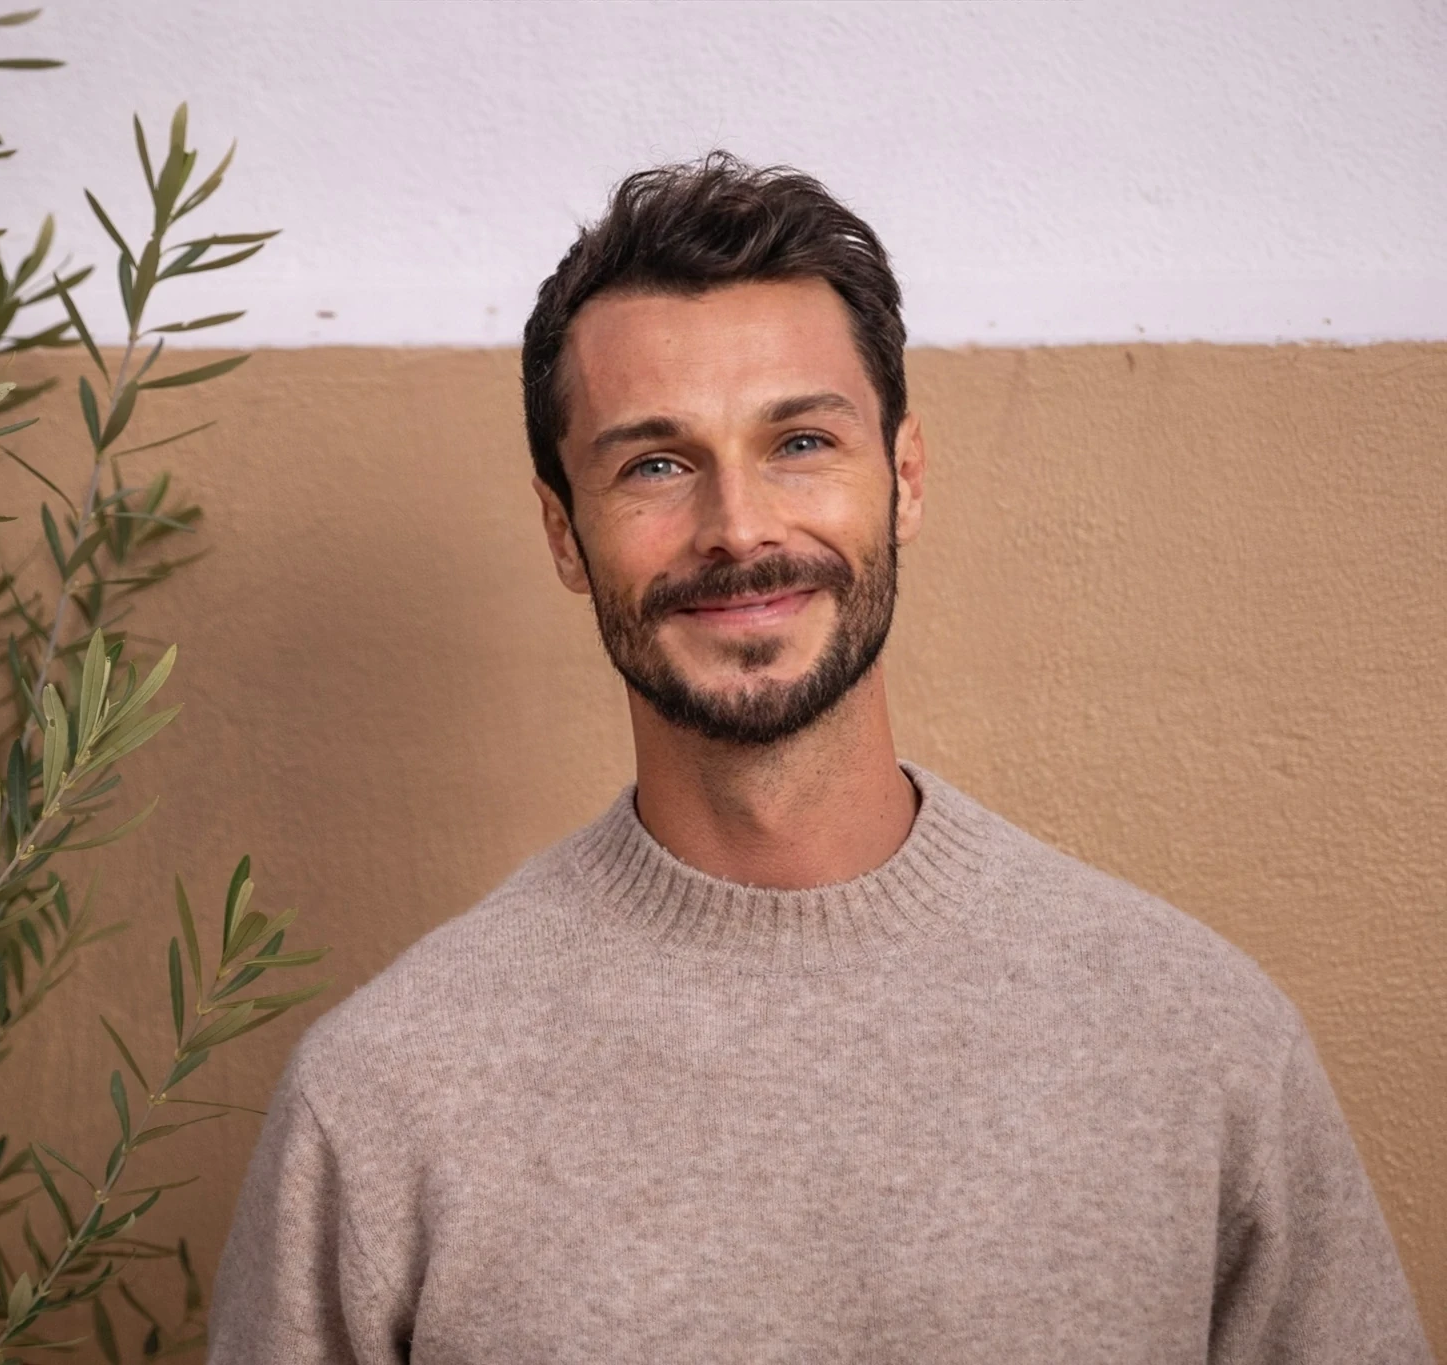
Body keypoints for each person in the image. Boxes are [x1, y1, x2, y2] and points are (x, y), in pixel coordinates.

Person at [206, 154, 1432, 1364]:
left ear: (899, 480)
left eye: (799, 443)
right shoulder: (382, 1099)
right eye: (654, 463)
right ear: (562, 536)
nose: (737, 527)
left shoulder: (1198, 1040)